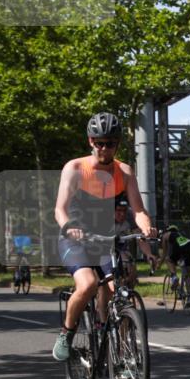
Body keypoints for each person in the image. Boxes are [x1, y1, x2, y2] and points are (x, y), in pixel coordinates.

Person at [53, 112, 156, 362]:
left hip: (104, 240)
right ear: (91, 141)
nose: (104, 148)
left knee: (116, 287)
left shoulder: (124, 172)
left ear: (117, 144)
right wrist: (68, 226)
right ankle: (66, 333)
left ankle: (107, 334)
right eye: (99, 142)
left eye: (110, 143)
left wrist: (146, 227)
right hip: (75, 239)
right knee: (88, 284)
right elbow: (60, 209)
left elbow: (138, 210)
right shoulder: (75, 168)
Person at [114, 195, 156, 288]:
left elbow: (140, 237)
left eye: (124, 210)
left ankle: (127, 291)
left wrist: (148, 254)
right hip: (102, 247)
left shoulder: (130, 214)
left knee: (131, 268)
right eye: (118, 210)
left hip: (121, 247)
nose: (122, 214)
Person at [156, 224, 190, 299]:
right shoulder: (180, 235)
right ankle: (189, 296)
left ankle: (174, 277)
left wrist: (159, 265)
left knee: (168, 259)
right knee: (186, 274)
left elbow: (164, 254)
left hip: (178, 247)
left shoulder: (165, 235)